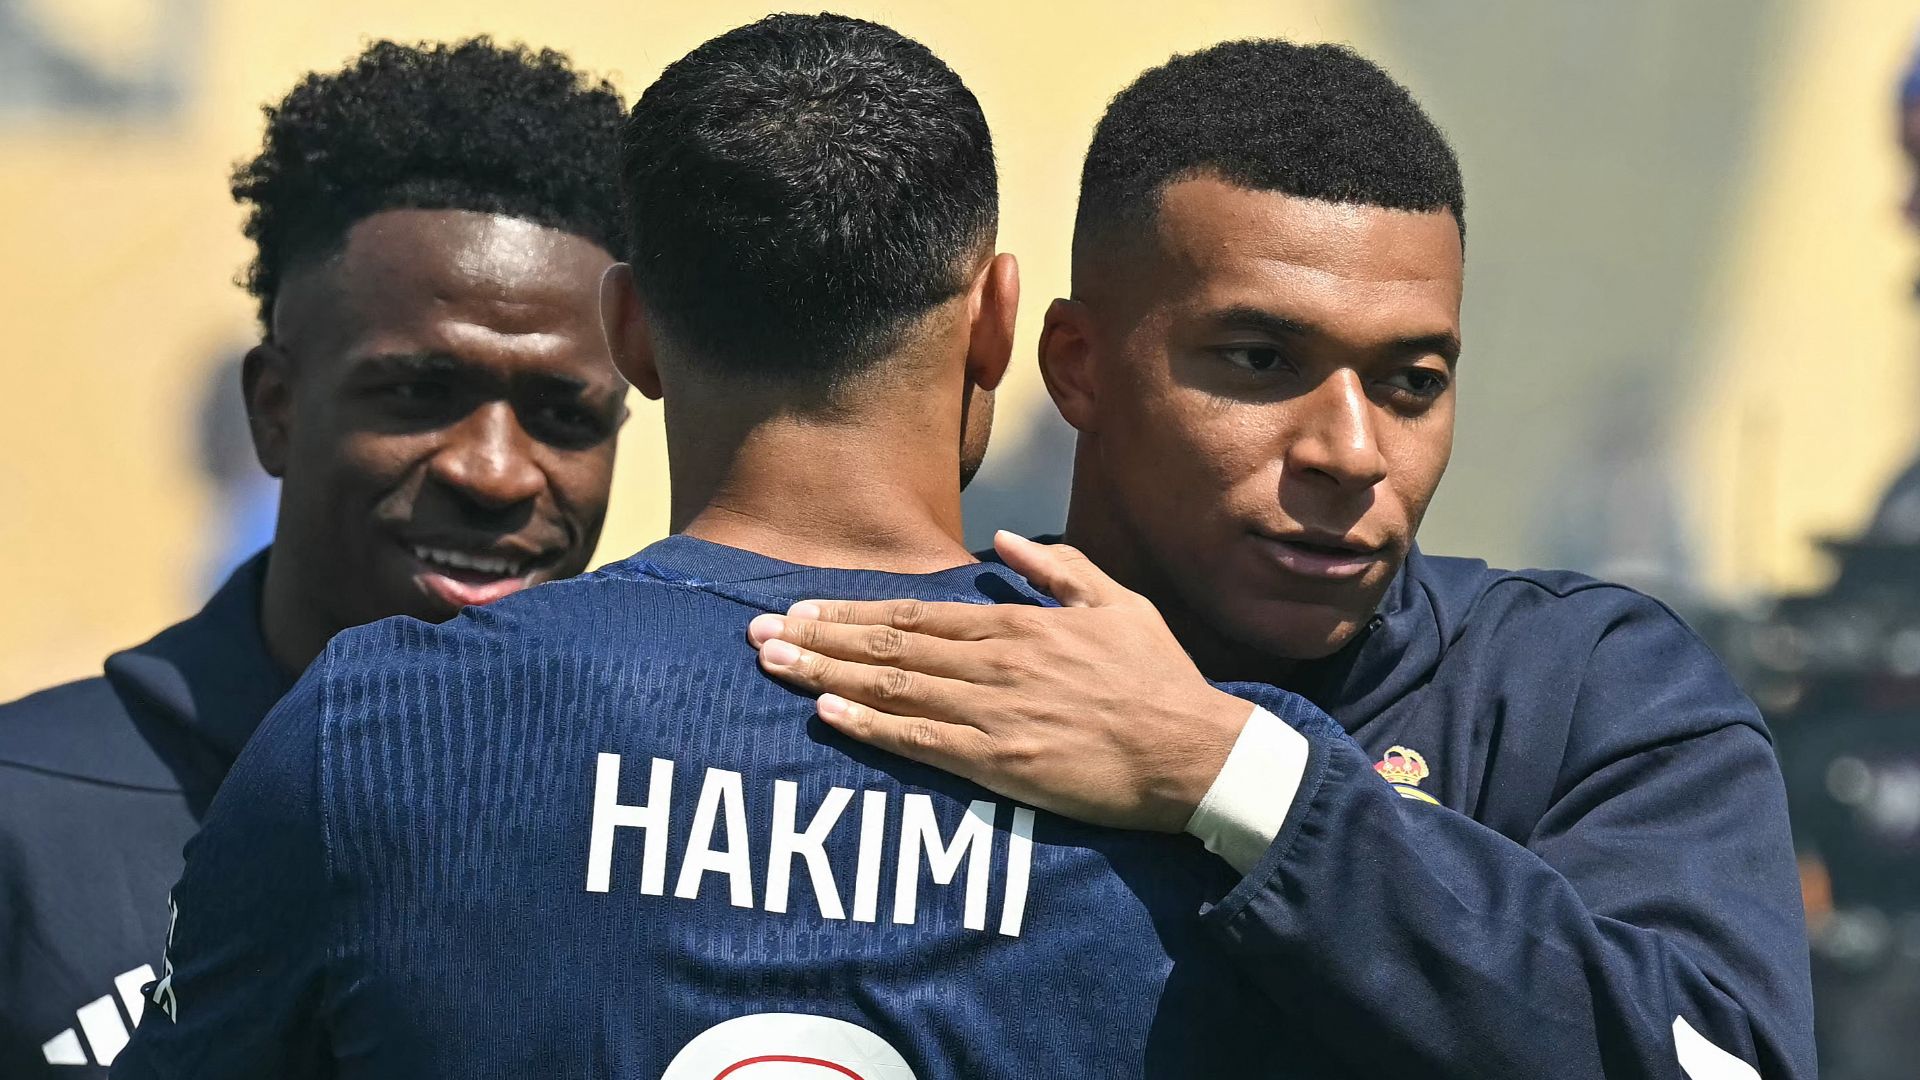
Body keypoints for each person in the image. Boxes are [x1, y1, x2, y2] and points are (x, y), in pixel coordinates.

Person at [112, 15, 1361, 1078]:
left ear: (629, 335)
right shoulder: (1204, 763)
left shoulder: (372, 731)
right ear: (996, 323)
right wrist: (1237, 775)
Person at [747, 39, 1817, 1079]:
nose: (1351, 453)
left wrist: (1240, 777)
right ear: (1077, 367)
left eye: (1411, 383)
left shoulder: (1584, 693)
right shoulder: (905, 678)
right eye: (1262, 360)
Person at [0, 39, 628, 1076]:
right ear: (276, 409)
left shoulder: (661, 822)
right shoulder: (29, 821)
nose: (494, 473)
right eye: (419, 393)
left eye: (565, 416)